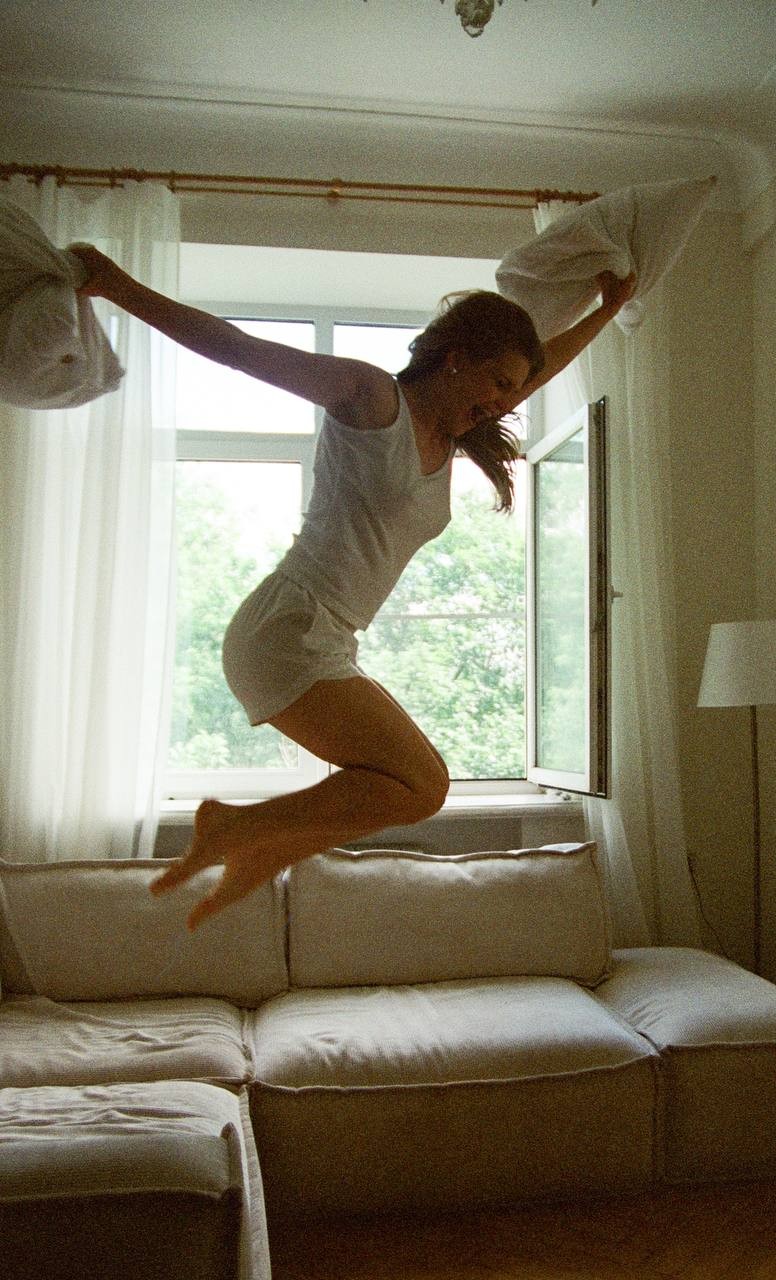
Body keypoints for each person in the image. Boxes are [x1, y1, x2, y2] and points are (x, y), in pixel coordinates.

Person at [74, 245, 636, 929]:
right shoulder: (374, 400)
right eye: (496, 382)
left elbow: (542, 368)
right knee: (422, 784)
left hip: (325, 636)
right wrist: (114, 283)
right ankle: (237, 831)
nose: (502, 402)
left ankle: (260, 846)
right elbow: (236, 349)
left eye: (510, 390)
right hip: (288, 625)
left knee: (414, 785)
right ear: (456, 357)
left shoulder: (451, 430)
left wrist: (605, 310)